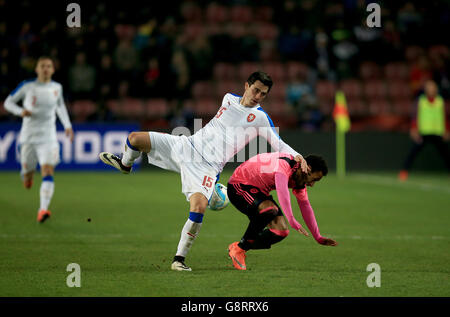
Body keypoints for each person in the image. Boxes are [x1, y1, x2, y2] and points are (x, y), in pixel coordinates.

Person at [99, 71, 309, 271]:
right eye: (256, 90)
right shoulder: (228, 99)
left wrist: (297, 156)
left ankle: (179, 259)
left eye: (264, 94)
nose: (258, 96)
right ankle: (125, 165)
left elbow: (278, 144)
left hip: (206, 168)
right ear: (246, 86)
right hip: (186, 146)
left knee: (198, 208)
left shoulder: (261, 118)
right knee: (134, 139)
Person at [227, 152, 337, 271]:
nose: (312, 184)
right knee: (270, 210)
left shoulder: (299, 180)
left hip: (259, 191)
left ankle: (239, 247)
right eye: (314, 179)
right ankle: (239, 250)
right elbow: (282, 192)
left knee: (280, 231)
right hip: (239, 185)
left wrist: (318, 237)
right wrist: (291, 219)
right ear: (307, 169)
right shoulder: (285, 165)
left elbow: (306, 207)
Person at [4, 56, 74, 222]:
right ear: (36, 69)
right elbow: (8, 102)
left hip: (48, 137)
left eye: (48, 66)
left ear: (53, 69)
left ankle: (42, 210)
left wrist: (67, 125)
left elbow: (60, 106)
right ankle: (27, 176)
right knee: (28, 175)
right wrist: (20, 111)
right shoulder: (27, 86)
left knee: (48, 171)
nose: (45, 69)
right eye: (42, 66)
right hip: (28, 137)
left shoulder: (57, 87)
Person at [398, 80, 450, 180]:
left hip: (437, 132)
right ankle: (404, 171)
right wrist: (414, 129)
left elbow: (445, 117)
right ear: (425, 89)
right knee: (413, 153)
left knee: (446, 155)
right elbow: (415, 116)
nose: (431, 90)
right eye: (429, 87)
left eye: (433, 87)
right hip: (423, 132)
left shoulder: (440, 101)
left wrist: (447, 130)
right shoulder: (420, 101)